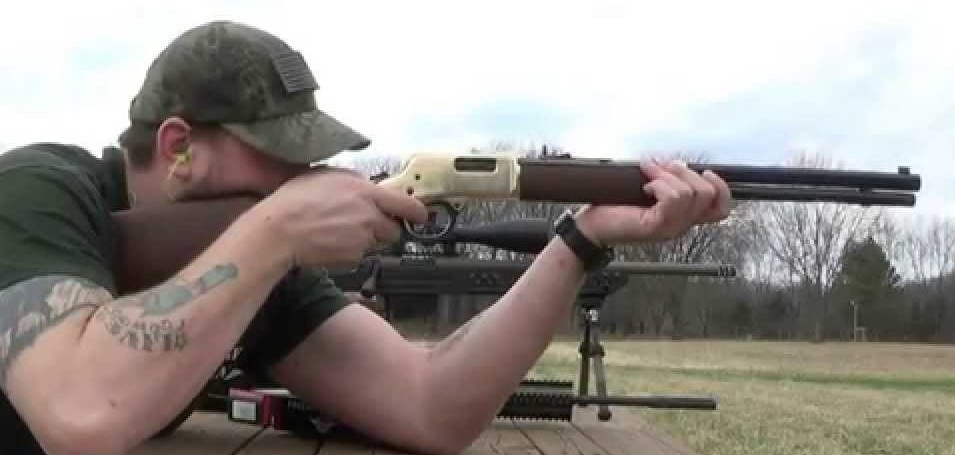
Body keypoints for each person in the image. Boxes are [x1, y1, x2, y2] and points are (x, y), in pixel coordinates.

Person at [0, 20, 731, 455]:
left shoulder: (254, 254)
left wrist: (577, 241)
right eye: (276, 149)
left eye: (308, 152)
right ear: (178, 145)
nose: (306, 174)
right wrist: (273, 231)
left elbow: (431, 404)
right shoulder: (36, 193)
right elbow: (79, 412)